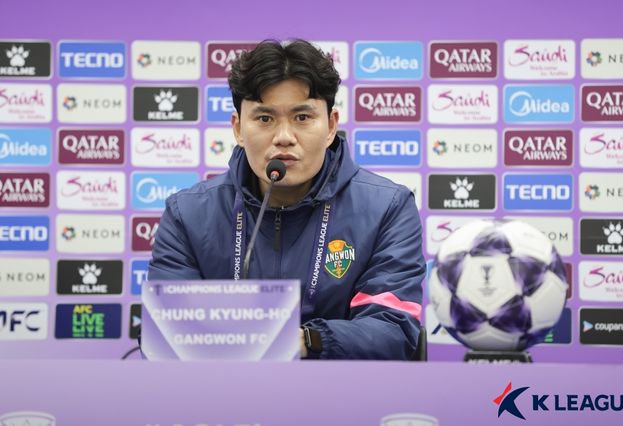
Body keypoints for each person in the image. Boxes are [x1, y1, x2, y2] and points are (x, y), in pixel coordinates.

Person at [148, 39, 426, 360]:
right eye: (265, 119)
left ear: (330, 126)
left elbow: (393, 329)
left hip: (340, 390)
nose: (284, 137)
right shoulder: (188, 214)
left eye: (302, 117)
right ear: (238, 129)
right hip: (225, 390)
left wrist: (306, 340)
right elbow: (167, 334)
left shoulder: (387, 208)